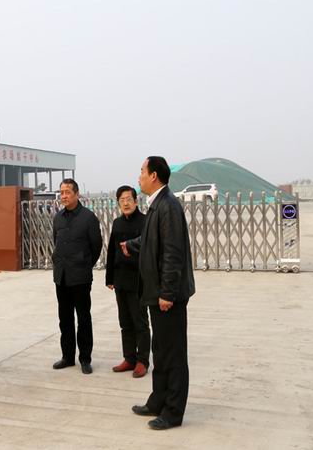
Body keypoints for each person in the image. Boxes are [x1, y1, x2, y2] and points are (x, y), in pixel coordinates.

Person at [123, 156, 196, 430]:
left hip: (168, 297)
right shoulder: (157, 205)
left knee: (173, 354)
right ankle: (158, 401)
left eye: (142, 171)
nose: (139, 176)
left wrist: (167, 293)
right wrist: (132, 244)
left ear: (154, 175)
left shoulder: (168, 206)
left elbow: (173, 253)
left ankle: (173, 412)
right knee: (161, 350)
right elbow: (153, 240)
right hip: (157, 294)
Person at [51, 178, 103, 374]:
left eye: (67, 192)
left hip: (80, 277)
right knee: (64, 319)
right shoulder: (58, 218)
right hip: (61, 276)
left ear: (76, 194)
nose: (63, 196)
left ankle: (85, 359)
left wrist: (84, 264)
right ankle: (67, 356)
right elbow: (55, 241)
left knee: (83, 318)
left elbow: (96, 246)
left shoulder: (88, 218)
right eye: (61, 192)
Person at [105, 185, 149, 378]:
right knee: (125, 322)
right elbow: (112, 251)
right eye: (122, 200)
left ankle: (142, 361)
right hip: (120, 280)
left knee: (140, 322)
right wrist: (110, 277)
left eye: (129, 199)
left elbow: (149, 251)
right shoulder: (117, 223)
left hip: (139, 280)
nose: (125, 203)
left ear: (136, 201)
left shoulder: (145, 221)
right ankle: (129, 358)